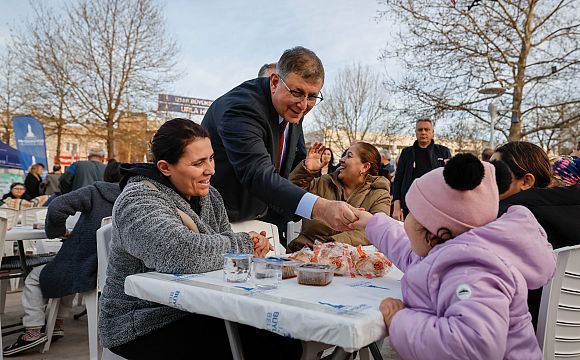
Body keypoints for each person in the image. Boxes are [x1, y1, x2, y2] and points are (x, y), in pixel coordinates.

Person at [98, 118, 300, 359]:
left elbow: (223, 246)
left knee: (285, 339)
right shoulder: (138, 200)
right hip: (143, 321)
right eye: (198, 163)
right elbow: (180, 253)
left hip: (201, 306)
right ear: (165, 167)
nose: (211, 170)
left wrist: (248, 248)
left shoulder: (210, 195)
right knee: (257, 349)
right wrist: (243, 244)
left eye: (211, 158)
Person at [350, 154, 555, 359]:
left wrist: (399, 320)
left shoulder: (471, 272)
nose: (406, 219)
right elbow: (412, 255)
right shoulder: (449, 253)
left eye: (411, 212)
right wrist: (372, 224)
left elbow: (472, 346)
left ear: (431, 231)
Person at [201, 46, 357, 235]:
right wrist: (320, 208)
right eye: (297, 92)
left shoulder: (292, 108)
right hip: (221, 222)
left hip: (263, 220)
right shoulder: (241, 108)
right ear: (275, 82)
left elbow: (291, 166)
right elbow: (258, 174)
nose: (303, 105)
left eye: (313, 96)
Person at [2, 161, 123, 356]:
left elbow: (57, 206)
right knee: (68, 273)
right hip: (107, 273)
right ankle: (56, 322)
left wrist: (57, 232)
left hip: (82, 266)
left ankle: (33, 330)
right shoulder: (134, 198)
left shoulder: (96, 192)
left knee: (36, 277)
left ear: (106, 176)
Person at [493, 141, 580, 327]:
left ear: (527, 181)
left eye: (496, 172)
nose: (486, 178)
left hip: (522, 334)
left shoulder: (505, 221)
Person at [287, 142, 390, 251]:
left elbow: (375, 229)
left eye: (349, 156)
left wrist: (332, 244)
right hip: (303, 255)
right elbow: (289, 197)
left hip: (347, 261)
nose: (341, 159)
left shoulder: (379, 194)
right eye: (344, 155)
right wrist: (306, 171)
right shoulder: (323, 181)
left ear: (365, 167)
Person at [392, 118, 451, 220]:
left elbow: (450, 180)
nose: (423, 132)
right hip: (410, 206)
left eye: (427, 129)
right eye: (420, 130)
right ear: (416, 132)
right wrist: (396, 207)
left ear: (432, 132)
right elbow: (398, 180)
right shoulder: (407, 153)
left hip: (436, 207)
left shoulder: (443, 152)